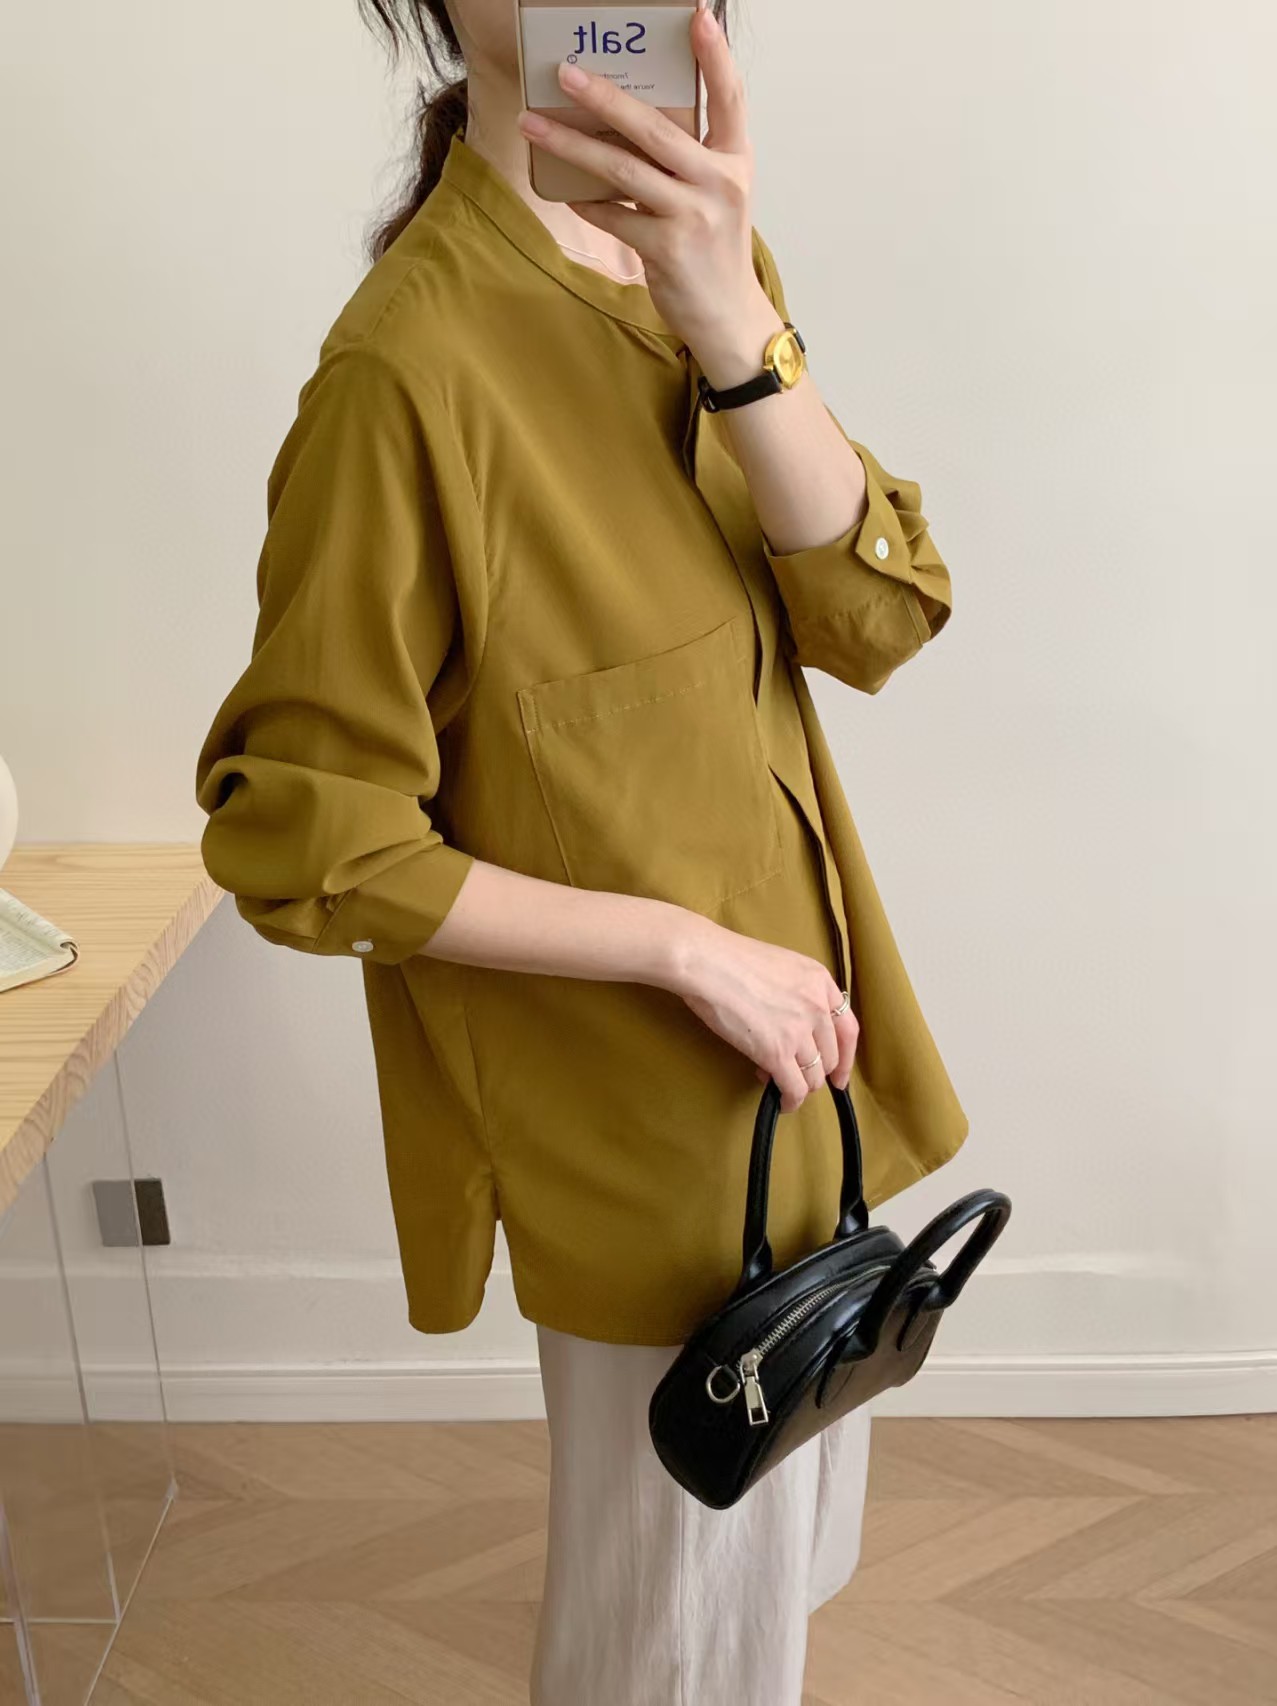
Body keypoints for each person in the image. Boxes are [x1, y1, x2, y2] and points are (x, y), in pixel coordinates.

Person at [194, 0, 969, 1697]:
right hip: (644, 1129)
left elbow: (878, 615)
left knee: (769, 1587)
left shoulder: (703, 267)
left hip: (812, 1075)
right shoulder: (409, 372)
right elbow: (304, 838)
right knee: (672, 1649)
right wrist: (685, 949)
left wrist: (732, 314)